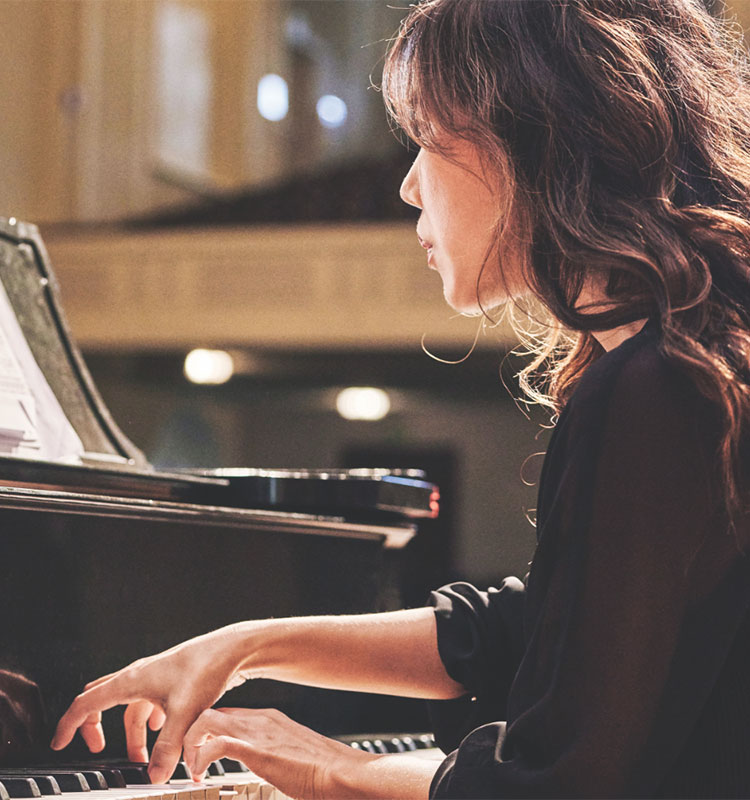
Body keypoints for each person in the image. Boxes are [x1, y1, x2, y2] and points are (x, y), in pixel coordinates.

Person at [51, 0, 750, 796]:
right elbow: (533, 635)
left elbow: (560, 782)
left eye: (428, 140)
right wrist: (243, 644)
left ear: (534, 141)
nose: (410, 186)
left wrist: (332, 768)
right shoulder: (683, 364)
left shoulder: (657, 390)